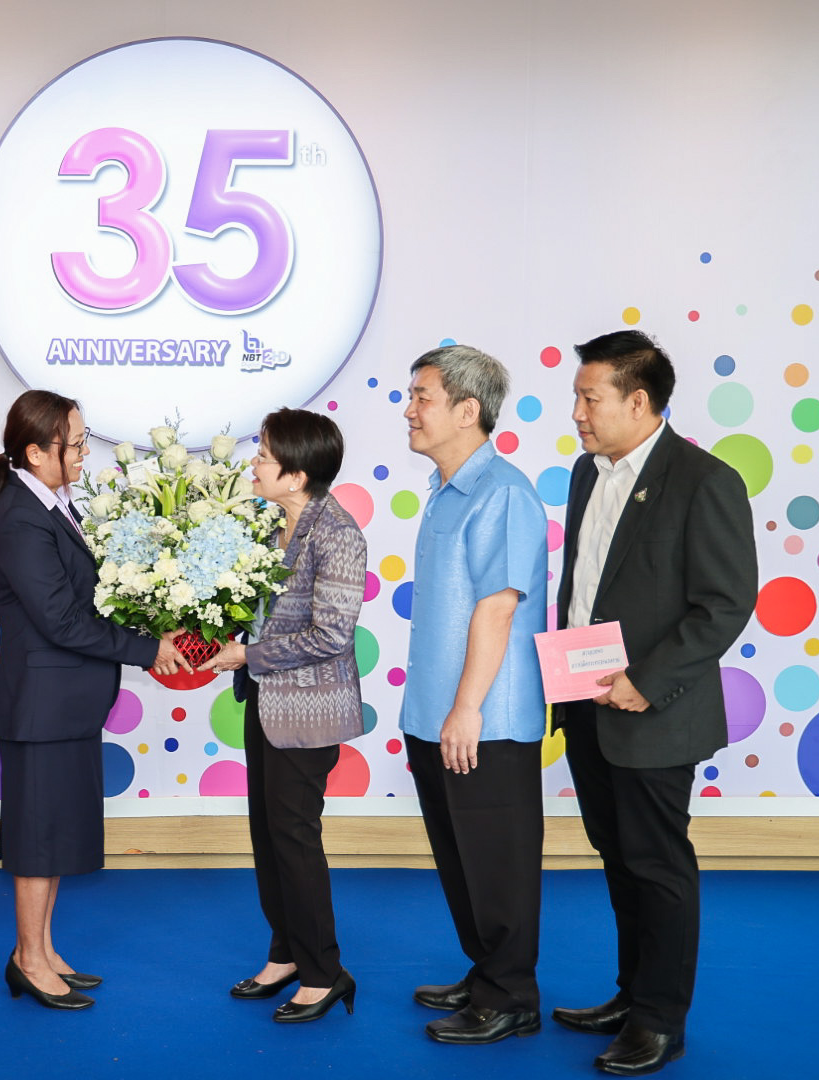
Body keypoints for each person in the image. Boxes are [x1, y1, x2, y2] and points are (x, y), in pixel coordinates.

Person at [553, 330, 755, 1076]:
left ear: (638, 402)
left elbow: (724, 603)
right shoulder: (587, 472)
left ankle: (662, 1020)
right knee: (617, 856)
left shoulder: (705, 480)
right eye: (577, 397)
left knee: (657, 863)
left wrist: (646, 679)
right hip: (586, 703)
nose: (577, 413)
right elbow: (586, 588)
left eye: (590, 398)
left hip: (654, 711)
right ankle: (631, 994)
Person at [0, 390, 190, 1010]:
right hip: (43, 707)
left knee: (56, 835)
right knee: (38, 840)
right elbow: (62, 622)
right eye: (76, 442)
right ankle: (28, 959)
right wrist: (147, 649)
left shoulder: (49, 504)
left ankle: (40, 949)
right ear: (37, 452)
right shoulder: (20, 517)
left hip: (65, 705)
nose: (84, 452)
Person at [398, 345, 549, 1046]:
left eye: (422, 397)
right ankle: (488, 970)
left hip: (486, 720)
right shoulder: (446, 489)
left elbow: (498, 606)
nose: (409, 410)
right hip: (437, 713)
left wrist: (466, 709)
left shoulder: (503, 493)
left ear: (468, 410)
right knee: (461, 857)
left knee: (497, 862)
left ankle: (511, 994)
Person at [202, 407, 367, 1025]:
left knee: (295, 839)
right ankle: (286, 953)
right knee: (269, 836)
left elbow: (331, 635)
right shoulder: (274, 526)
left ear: (296, 475)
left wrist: (249, 654)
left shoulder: (338, 533)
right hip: (266, 701)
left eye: (265, 455)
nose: (254, 463)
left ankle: (324, 972)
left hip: (308, 711)